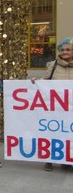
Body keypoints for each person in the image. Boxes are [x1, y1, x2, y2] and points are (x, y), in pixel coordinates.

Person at [31, 37, 73, 172]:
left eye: (68, 49)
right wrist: (36, 81)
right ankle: (50, 159)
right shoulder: (53, 65)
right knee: (54, 133)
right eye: (63, 49)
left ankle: (67, 160)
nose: (65, 52)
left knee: (68, 134)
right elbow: (45, 80)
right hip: (56, 108)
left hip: (71, 109)